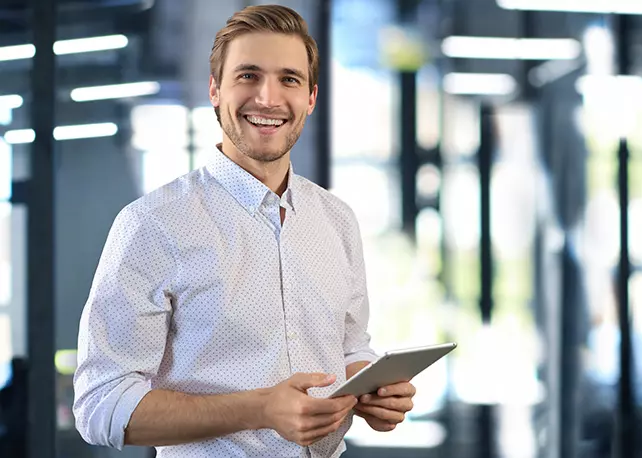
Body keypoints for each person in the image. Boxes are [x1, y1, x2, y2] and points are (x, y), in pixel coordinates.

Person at [72, 4, 416, 457]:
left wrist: (375, 388)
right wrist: (260, 409)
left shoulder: (336, 220)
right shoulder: (152, 225)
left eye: (289, 79)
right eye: (248, 76)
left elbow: (352, 346)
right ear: (215, 90)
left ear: (311, 97)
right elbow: (101, 406)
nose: (268, 99)